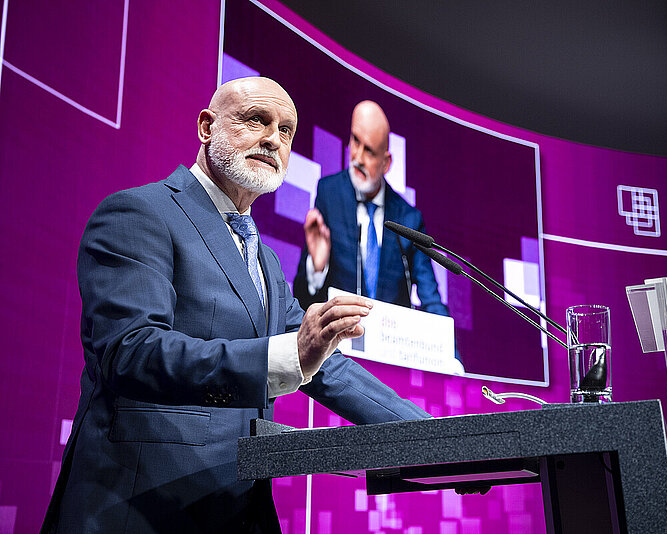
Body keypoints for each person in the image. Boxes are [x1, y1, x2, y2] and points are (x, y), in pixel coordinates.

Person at [41, 77, 428, 534]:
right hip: (140, 507)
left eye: (286, 130)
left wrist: (436, 438)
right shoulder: (139, 213)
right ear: (206, 127)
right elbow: (131, 351)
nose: (273, 139)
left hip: (237, 509)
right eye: (256, 120)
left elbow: (326, 366)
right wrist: (287, 355)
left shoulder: (264, 259)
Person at [293, 101, 449, 318]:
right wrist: (317, 269)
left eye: (369, 151)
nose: (358, 157)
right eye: (355, 141)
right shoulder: (329, 194)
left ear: (386, 163)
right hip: (338, 334)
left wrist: (447, 338)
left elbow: (431, 298)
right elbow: (301, 298)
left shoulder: (409, 218)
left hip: (390, 336)